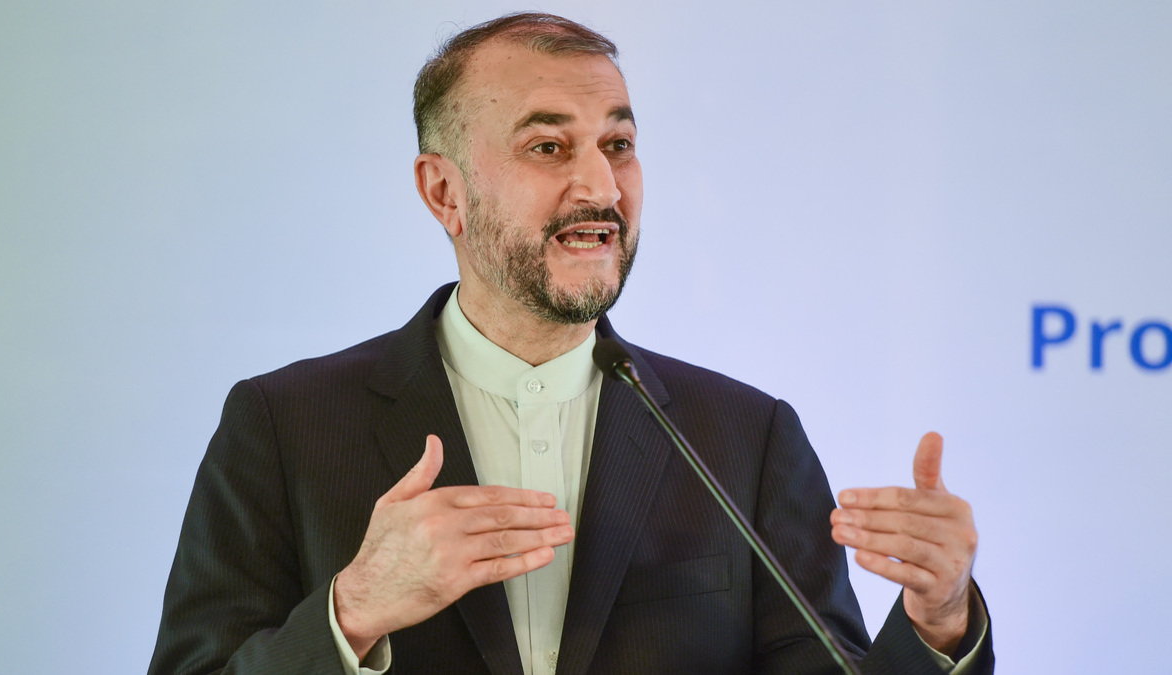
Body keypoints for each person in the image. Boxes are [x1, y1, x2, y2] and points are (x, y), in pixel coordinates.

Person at [150, 12, 992, 675]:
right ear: (444, 192)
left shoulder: (745, 437)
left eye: (617, 145)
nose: (600, 186)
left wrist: (940, 620)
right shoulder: (284, 424)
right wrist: (353, 611)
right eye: (548, 146)